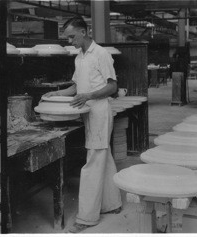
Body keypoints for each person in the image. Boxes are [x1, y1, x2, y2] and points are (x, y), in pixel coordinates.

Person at [43, 16, 122, 233]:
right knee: (102, 156)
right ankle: (112, 203)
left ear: (84, 32)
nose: (70, 41)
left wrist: (88, 95)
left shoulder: (101, 54)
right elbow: (76, 87)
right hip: (88, 111)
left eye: (71, 36)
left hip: (100, 111)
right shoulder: (80, 57)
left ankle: (87, 218)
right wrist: (56, 93)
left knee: (92, 162)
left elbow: (113, 87)